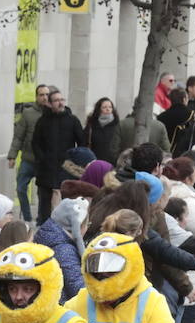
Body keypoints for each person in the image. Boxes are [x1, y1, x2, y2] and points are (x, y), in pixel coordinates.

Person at [30, 87, 85, 223]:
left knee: (67, 199)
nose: (60, 103)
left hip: (67, 167)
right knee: (45, 201)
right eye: (56, 101)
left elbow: (82, 143)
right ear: (49, 103)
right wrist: (42, 159)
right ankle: (44, 226)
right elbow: (35, 143)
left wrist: (74, 162)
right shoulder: (42, 121)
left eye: (62, 100)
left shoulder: (73, 120)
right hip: (46, 168)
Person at [7, 84, 48, 220]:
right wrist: (12, 156)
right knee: (20, 188)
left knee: (43, 192)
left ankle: (41, 218)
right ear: (36, 97)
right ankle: (27, 216)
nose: (44, 97)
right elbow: (19, 136)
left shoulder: (52, 113)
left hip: (44, 162)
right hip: (28, 159)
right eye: (41, 95)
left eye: (47, 95)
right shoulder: (28, 113)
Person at [35, 198, 88, 301]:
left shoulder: (47, 235)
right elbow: (78, 289)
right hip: (64, 308)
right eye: (87, 224)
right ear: (77, 227)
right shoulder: (64, 251)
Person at [83, 97, 120, 163]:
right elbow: (84, 143)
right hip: (94, 162)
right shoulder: (91, 125)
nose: (108, 109)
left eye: (110, 107)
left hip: (112, 163)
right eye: (104, 107)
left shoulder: (117, 125)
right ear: (99, 109)